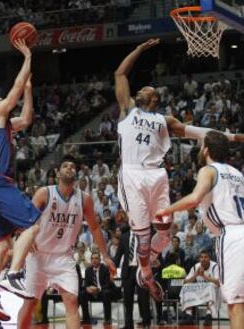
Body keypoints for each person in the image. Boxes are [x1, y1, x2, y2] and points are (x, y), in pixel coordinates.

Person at [114, 38, 244, 301]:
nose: (141, 90)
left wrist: (235, 138)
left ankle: (147, 264)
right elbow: (120, 73)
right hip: (132, 174)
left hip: (157, 175)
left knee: (165, 231)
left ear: (154, 98)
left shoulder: (165, 120)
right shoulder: (128, 110)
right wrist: (139, 49)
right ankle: (146, 273)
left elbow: (201, 134)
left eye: (147, 89)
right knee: (141, 236)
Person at [0, 39, 41, 321]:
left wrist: (28, 90)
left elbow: (26, 119)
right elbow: (13, 90)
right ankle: (14, 273)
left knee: (2, 243)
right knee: (34, 224)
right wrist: (27, 57)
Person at [156, 131, 244, 329]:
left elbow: (195, 198)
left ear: (206, 150)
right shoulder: (238, 174)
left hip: (231, 237)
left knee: (236, 304)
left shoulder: (208, 170)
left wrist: (167, 210)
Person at [17, 158, 116, 329]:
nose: (69, 168)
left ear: (76, 174)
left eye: (72, 166)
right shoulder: (44, 193)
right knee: (30, 302)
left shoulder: (84, 199)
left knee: (71, 300)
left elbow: (94, 228)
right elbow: (24, 220)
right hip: (39, 256)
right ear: (57, 173)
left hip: (64, 256)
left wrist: (105, 256)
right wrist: (27, 237)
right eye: (65, 166)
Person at [114, 228, 151, 329]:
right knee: (127, 299)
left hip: (141, 270)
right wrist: (113, 269)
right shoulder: (124, 237)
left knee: (143, 298)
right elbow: (118, 254)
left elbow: (151, 252)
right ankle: (128, 324)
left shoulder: (145, 236)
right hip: (128, 271)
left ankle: (146, 322)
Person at [179, 250, 220, 326]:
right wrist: (195, 275)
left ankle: (208, 315)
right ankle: (189, 315)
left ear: (209, 258)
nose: (203, 259)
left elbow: (218, 282)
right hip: (200, 291)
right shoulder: (195, 267)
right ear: (199, 259)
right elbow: (185, 282)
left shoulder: (215, 266)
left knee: (210, 286)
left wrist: (204, 276)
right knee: (186, 287)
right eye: (201, 257)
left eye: (205, 257)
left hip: (213, 291)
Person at [81, 252, 121, 325]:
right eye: (92, 258)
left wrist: (98, 289)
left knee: (105, 292)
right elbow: (86, 284)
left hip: (104, 292)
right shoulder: (88, 270)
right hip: (93, 293)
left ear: (100, 260)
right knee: (83, 294)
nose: (94, 260)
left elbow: (107, 284)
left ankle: (107, 319)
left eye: (96, 258)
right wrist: (88, 288)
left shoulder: (105, 269)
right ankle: (86, 319)